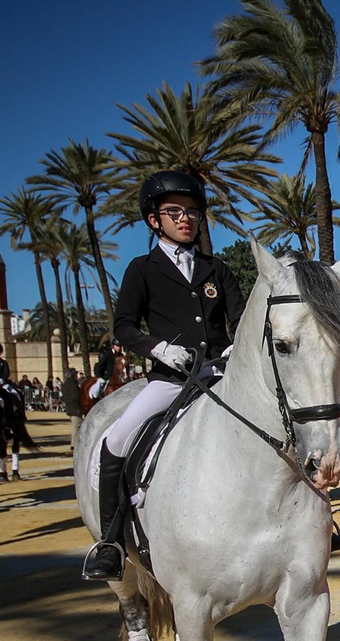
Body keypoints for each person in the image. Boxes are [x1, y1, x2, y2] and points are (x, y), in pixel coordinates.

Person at [83, 171, 247, 581]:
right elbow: (123, 325)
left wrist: (233, 348)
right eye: (174, 211)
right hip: (168, 379)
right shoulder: (142, 269)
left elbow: (241, 321)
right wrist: (159, 348)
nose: (186, 218)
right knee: (117, 439)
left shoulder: (216, 269)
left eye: (192, 211)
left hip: (217, 376)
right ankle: (111, 542)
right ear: (154, 219)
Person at [60, 366, 83, 453]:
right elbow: (75, 396)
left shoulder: (65, 384)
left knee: (75, 425)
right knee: (76, 425)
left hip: (69, 407)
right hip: (75, 407)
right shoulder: (73, 384)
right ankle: (74, 444)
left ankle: (74, 443)